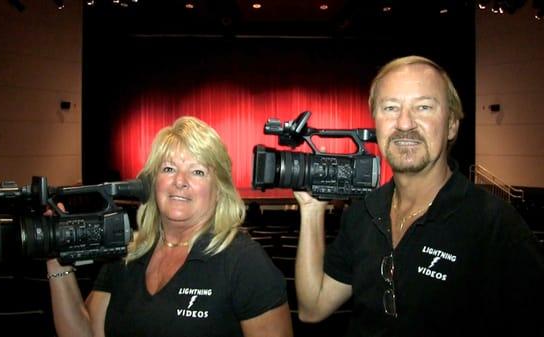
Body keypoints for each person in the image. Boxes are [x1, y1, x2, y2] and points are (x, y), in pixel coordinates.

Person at [293, 55, 544, 337]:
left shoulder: (495, 225)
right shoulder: (363, 212)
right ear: (375, 123)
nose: (404, 123)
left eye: (423, 107)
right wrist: (312, 209)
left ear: (451, 125)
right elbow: (312, 308)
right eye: (390, 108)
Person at [46, 116, 293, 337]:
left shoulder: (244, 262)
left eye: (197, 172)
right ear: (152, 183)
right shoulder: (127, 253)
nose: (180, 181)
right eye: (169, 168)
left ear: (219, 189)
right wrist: (56, 259)